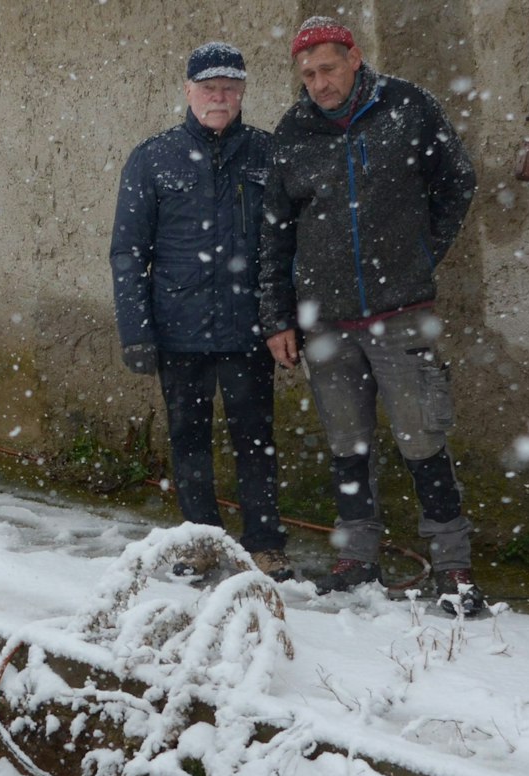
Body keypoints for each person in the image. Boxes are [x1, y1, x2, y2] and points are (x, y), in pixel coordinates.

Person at [258, 16, 487, 616]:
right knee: (347, 443)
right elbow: (275, 234)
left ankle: (453, 568)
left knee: (422, 438)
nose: (318, 83)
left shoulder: (407, 108)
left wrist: (419, 254)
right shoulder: (294, 131)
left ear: (354, 58)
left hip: (400, 311)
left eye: (328, 68)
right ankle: (357, 559)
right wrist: (277, 316)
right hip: (326, 320)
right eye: (307, 74)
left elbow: (457, 182)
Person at [111, 41, 292, 580]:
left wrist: (281, 318)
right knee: (189, 438)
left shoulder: (265, 154)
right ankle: (201, 541)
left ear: (242, 94)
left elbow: (285, 243)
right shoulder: (153, 158)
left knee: (255, 441)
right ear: (188, 91)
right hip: (178, 331)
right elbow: (127, 251)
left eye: (230, 89)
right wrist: (137, 331)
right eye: (209, 89)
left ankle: (264, 543)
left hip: (246, 331)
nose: (220, 98)